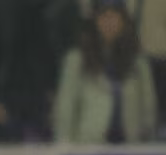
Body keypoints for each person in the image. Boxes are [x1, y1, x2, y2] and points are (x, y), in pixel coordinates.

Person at [54, 1, 158, 144]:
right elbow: (65, 107)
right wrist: (63, 144)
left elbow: (148, 110)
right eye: (103, 17)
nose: (109, 22)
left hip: (130, 146)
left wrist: (147, 143)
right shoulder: (76, 60)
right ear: (94, 21)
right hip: (88, 146)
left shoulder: (138, 63)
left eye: (114, 17)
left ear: (123, 21)